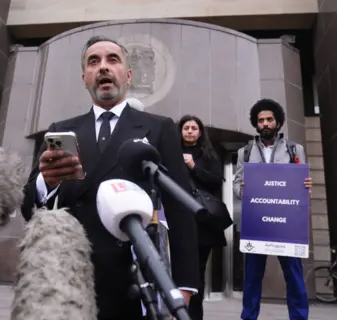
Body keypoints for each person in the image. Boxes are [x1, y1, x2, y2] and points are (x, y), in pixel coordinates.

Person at [21, 35, 199, 320]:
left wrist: (185, 286)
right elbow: (28, 208)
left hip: (136, 280)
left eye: (112, 59)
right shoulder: (61, 131)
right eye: (94, 61)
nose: (103, 67)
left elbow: (180, 211)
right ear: (85, 78)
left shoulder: (159, 128)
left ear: (128, 76)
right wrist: (47, 183)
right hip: (70, 280)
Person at [232, 99, 313, 320]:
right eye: (261, 120)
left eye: (269, 119)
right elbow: (237, 186)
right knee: (252, 278)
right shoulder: (245, 152)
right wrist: (245, 189)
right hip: (257, 222)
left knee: (294, 277)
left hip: (287, 226)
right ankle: (248, 317)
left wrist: (306, 186)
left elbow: (302, 186)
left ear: (278, 122)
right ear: (256, 124)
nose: (265, 123)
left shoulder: (295, 149)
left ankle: (299, 317)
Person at [178, 115, 226, 320]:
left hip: (201, 224)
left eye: (194, 128)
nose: (190, 131)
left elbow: (217, 181)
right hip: (177, 221)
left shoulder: (209, 155)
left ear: (200, 132)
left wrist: (193, 167)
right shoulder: (171, 152)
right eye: (186, 127)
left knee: (197, 273)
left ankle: (194, 316)